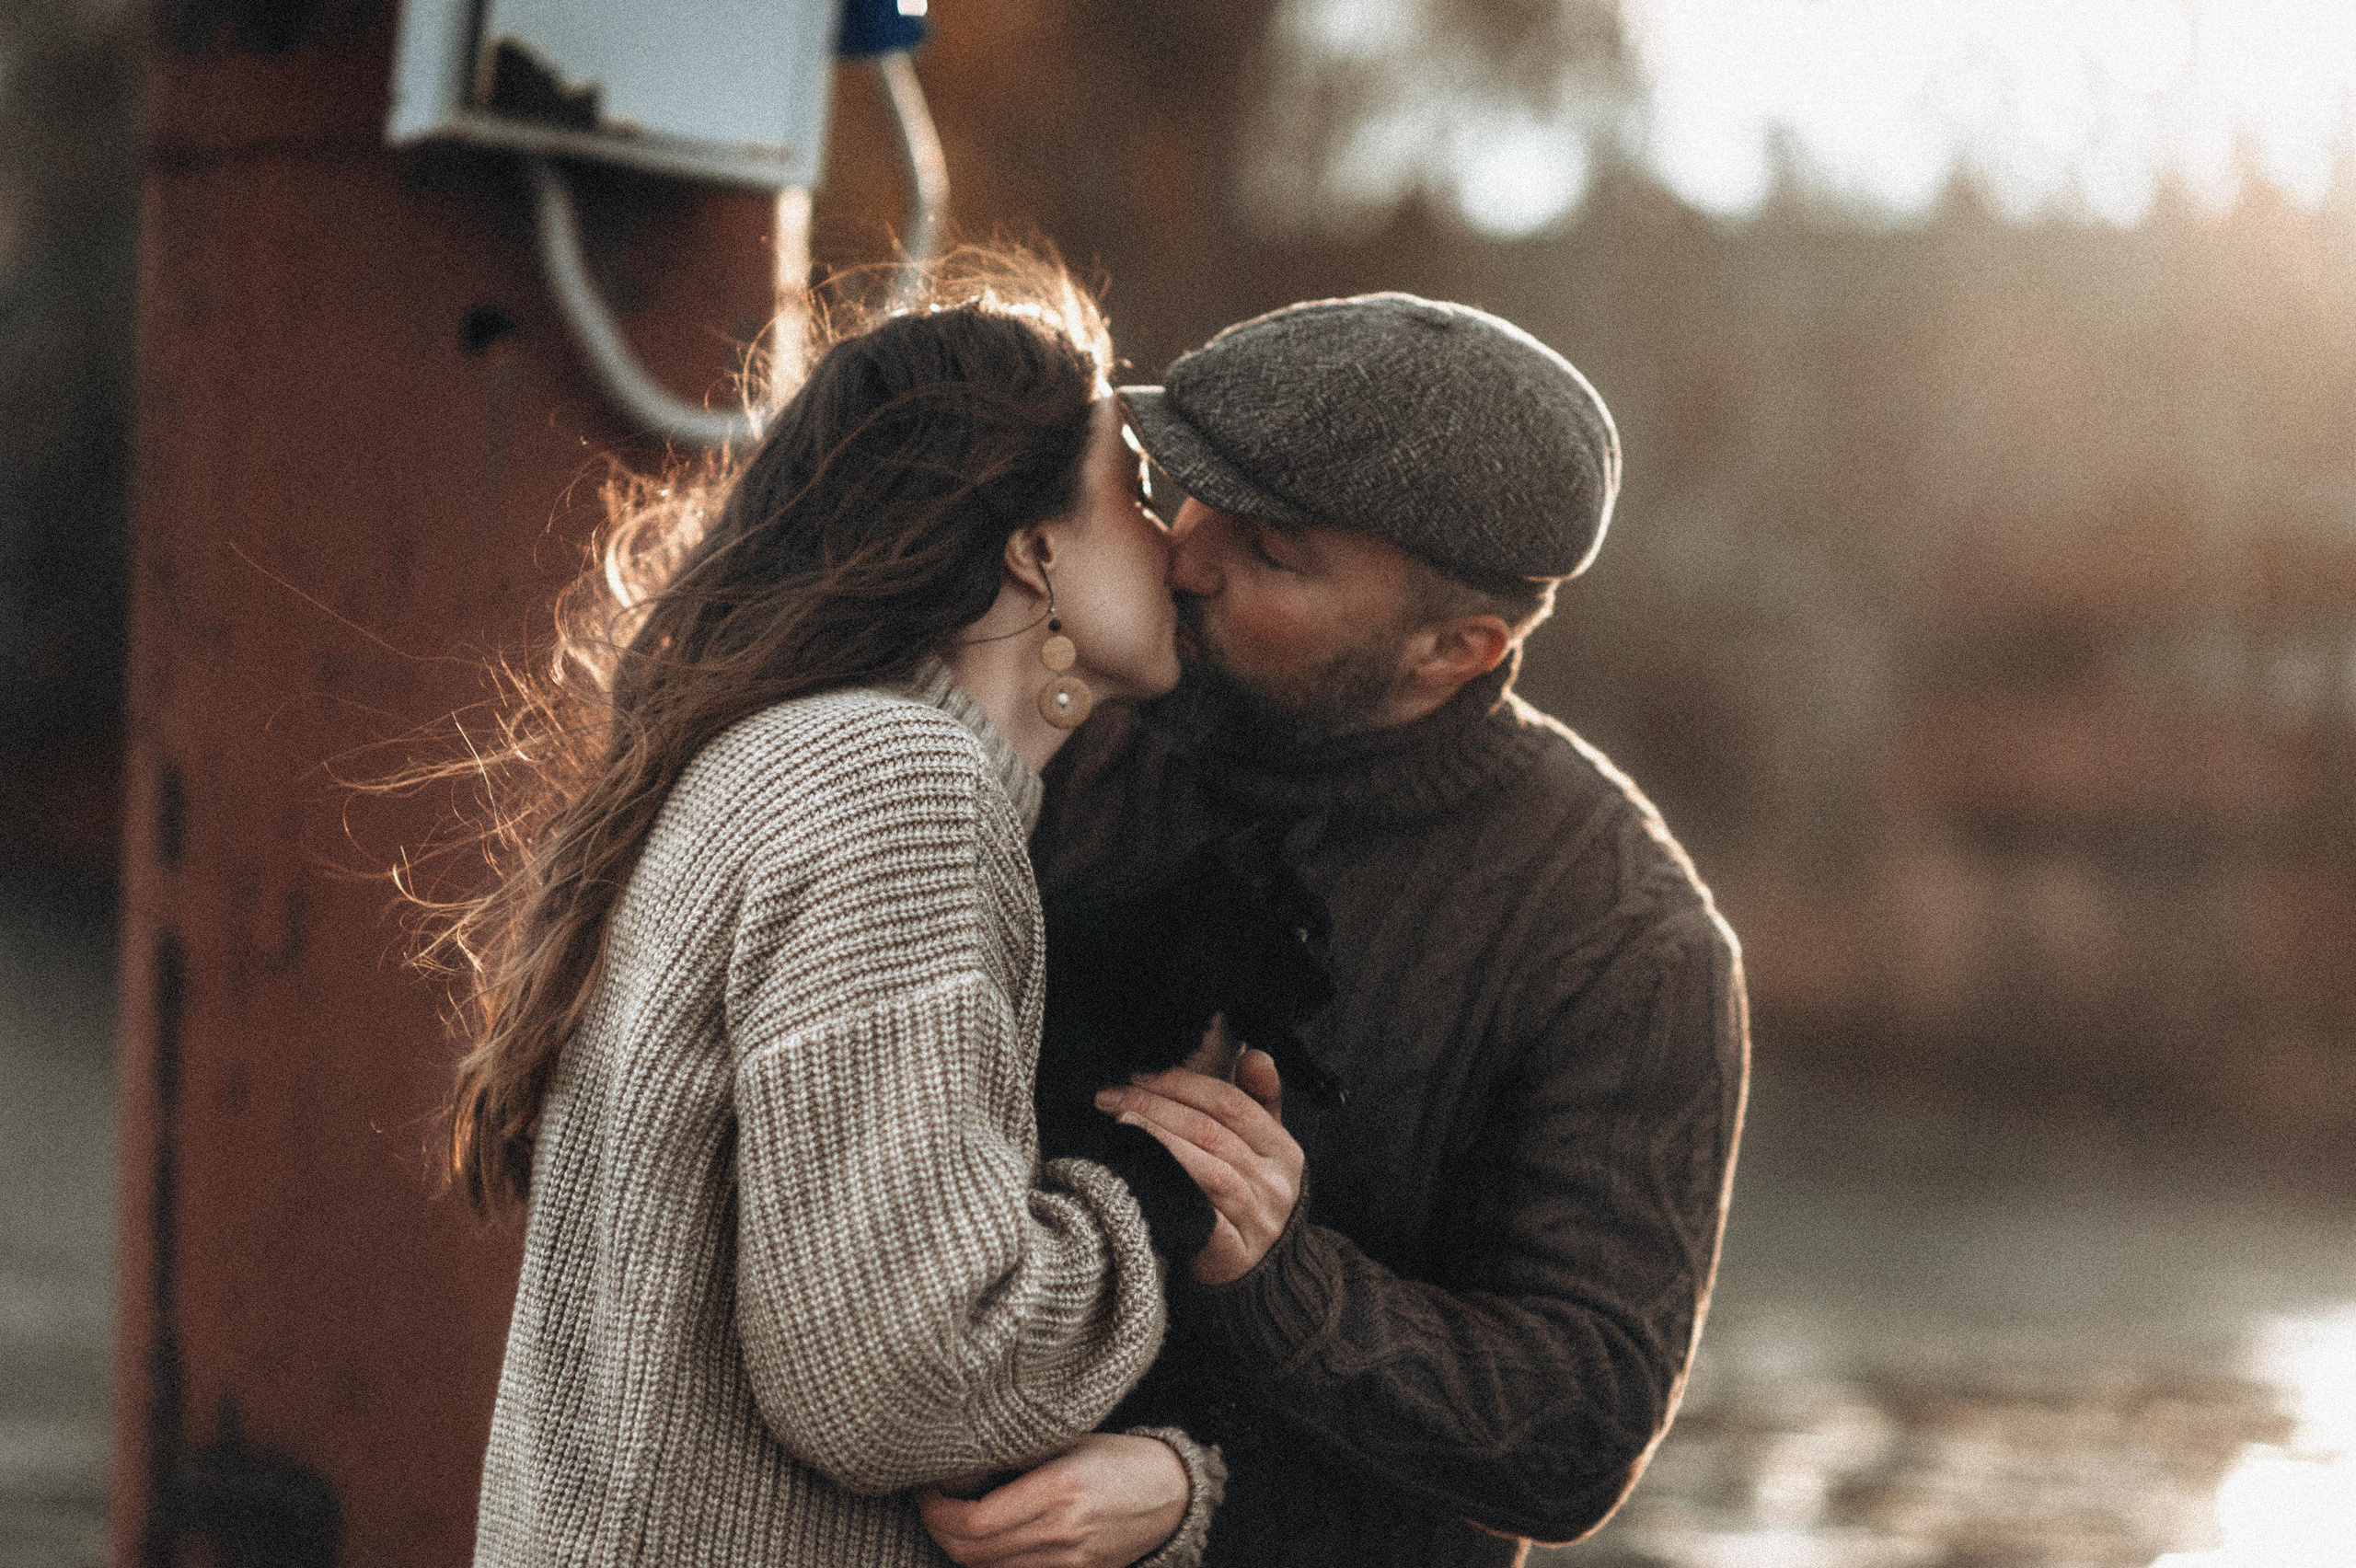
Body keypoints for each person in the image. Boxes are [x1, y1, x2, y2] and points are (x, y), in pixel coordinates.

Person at [422, 254, 1227, 1568]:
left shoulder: (782, 760)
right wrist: (1153, 1184)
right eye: (1131, 489)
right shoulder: (895, 782)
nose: (1177, 540)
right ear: (1032, 553)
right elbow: (903, 1373)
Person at [1022, 293, 1750, 1567]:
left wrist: (1279, 1285)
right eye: (1186, 492)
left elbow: (1578, 1431)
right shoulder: (1052, 722)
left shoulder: (1630, 943)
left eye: (1273, 549)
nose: (1186, 555)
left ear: (1455, 649)